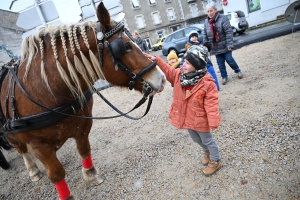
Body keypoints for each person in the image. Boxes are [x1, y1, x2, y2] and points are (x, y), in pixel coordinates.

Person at [144, 45, 222, 176]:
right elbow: (168, 71)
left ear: (197, 65)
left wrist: (213, 121)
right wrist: (157, 59)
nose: (183, 65)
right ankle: (207, 152)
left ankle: (215, 160)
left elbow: (211, 105)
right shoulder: (180, 75)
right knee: (196, 139)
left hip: (201, 120)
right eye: (184, 61)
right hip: (187, 117)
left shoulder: (207, 83)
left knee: (208, 140)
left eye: (188, 63)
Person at [203, 1, 243, 85]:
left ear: (215, 10)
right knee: (220, 63)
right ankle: (224, 77)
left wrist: (229, 44)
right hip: (215, 47)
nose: (209, 13)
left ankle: (238, 70)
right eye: (208, 11)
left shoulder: (223, 18)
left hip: (225, 45)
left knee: (229, 59)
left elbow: (229, 32)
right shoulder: (206, 22)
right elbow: (205, 35)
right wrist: (207, 49)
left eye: (211, 10)